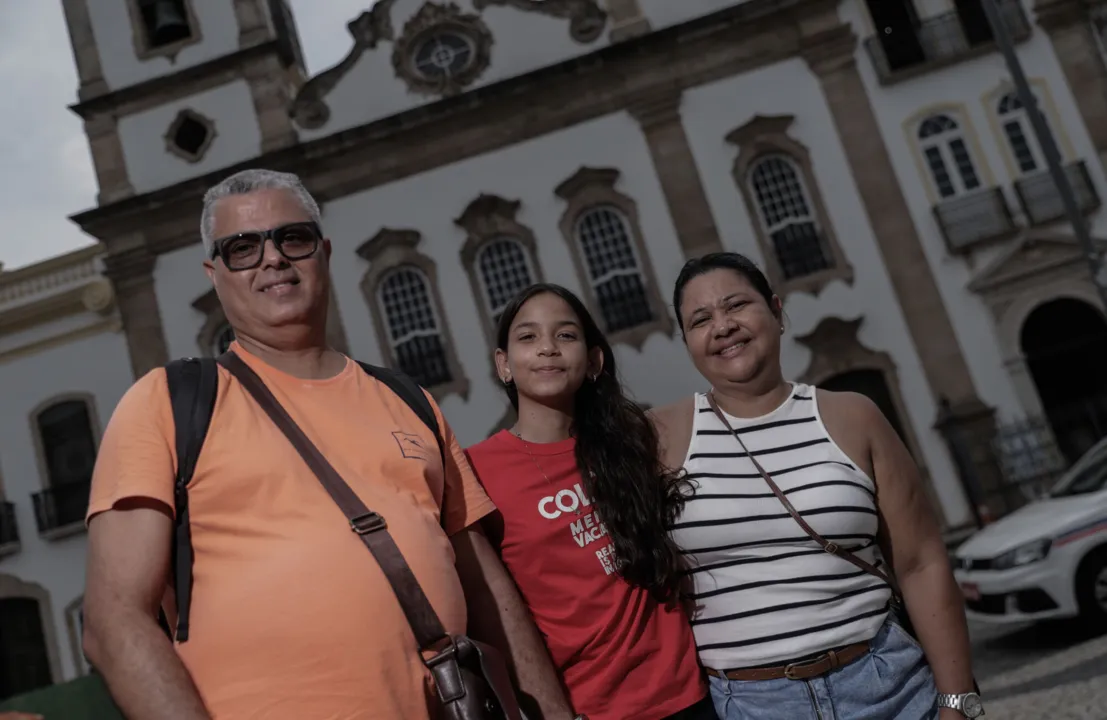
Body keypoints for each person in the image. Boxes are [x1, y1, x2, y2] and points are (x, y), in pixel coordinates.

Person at [81, 169, 576, 720]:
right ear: (213, 272)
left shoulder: (406, 399)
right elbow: (114, 620)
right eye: (242, 247)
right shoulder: (167, 403)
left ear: (324, 251)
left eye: (292, 238)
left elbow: (486, 589)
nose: (272, 258)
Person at [650, 253, 981, 720]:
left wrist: (958, 704)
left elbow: (921, 562)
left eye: (737, 305)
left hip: (889, 689)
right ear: (686, 341)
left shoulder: (853, 416)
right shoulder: (660, 440)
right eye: (700, 320)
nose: (722, 326)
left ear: (777, 311)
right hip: (751, 705)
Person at [465, 283, 716, 720]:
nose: (547, 348)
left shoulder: (635, 442)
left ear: (594, 360)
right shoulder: (475, 473)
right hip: (591, 709)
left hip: (691, 696)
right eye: (528, 337)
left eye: (565, 335)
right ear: (503, 365)